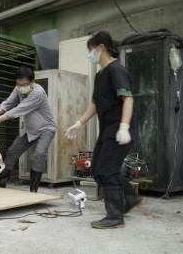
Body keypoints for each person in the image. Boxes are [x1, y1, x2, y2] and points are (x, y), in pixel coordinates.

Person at [65, 31, 144, 229]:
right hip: (108, 129)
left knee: (107, 171)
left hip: (119, 128)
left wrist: (124, 127)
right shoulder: (100, 75)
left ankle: (115, 217)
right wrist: (79, 123)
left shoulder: (116, 70)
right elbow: (95, 104)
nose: (90, 54)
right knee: (98, 170)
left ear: (102, 48)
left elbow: (128, 98)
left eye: (91, 50)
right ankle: (131, 197)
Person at [0, 66, 57, 193]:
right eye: (19, 84)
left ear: (32, 81)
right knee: (12, 152)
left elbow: (19, 109)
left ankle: (33, 190)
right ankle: (0, 186)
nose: (21, 87)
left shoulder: (38, 92)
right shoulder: (18, 89)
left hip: (46, 128)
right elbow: (8, 103)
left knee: (39, 153)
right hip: (29, 129)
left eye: (25, 84)